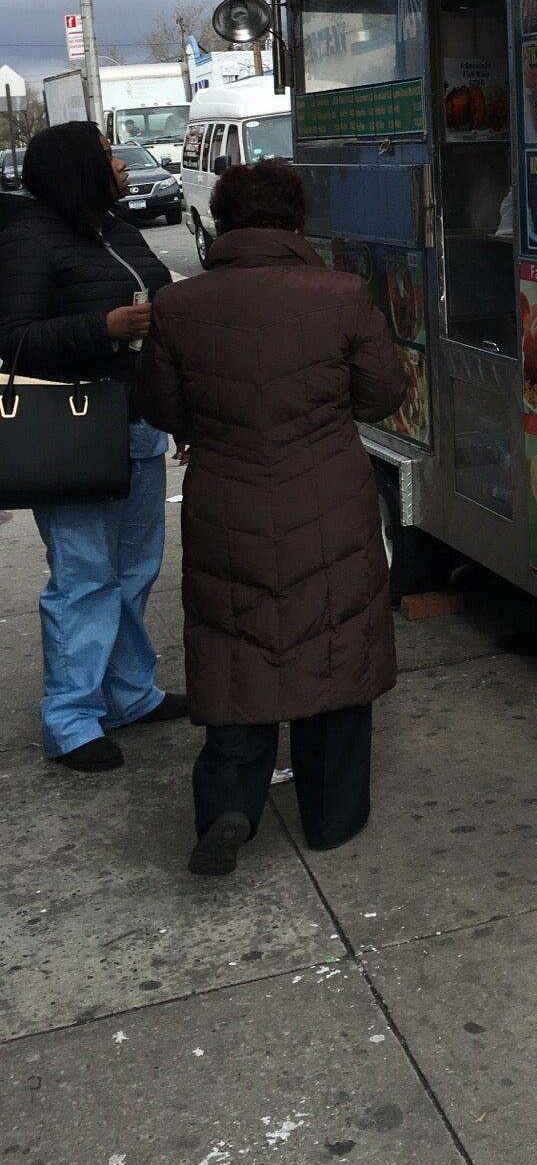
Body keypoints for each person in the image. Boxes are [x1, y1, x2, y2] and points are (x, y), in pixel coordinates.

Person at [138, 159, 406, 877]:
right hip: (328, 496)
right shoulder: (342, 295)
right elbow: (381, 394)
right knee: (334, 643)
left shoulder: (179, 306)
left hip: (226, 496)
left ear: (223, 220)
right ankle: (332, 818)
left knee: (235, 646)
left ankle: (229, 805)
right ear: (295, 220)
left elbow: (162, 409)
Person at [0, 121, 186, 771]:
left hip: (137, 423)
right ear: (79, 166)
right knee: (84, 579)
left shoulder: (116, 228)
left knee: (136, 571)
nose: (121, 163)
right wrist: (100, 328)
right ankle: (71, 720)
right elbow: (13, 340)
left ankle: (129, 692)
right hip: (72, 433)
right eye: (108, 154)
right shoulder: (27, 238)